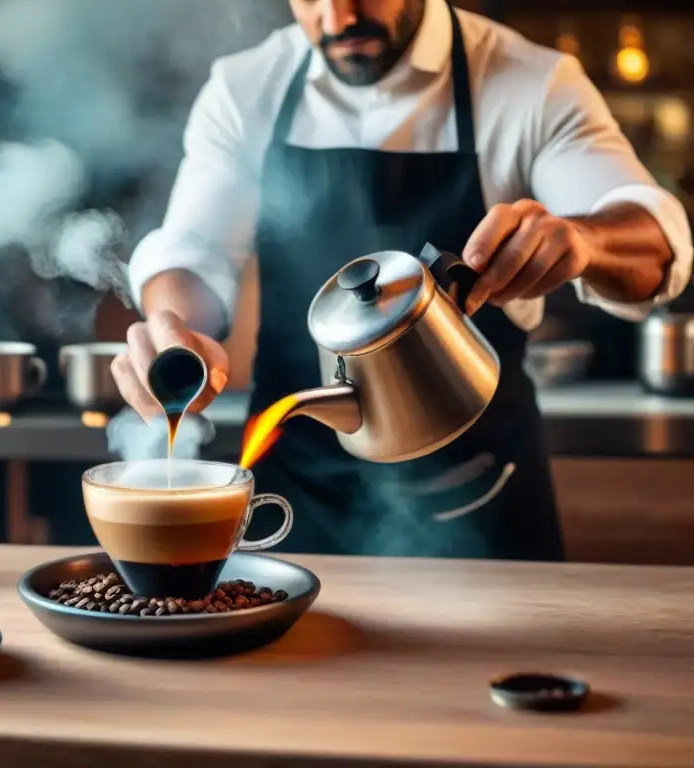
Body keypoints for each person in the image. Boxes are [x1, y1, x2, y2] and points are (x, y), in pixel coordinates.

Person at [111, 0, 693, 560]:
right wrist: (174, 333)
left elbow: (654, 238)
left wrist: (585, 240)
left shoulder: (530, 82)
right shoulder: (247, 86)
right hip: (291, 504)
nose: (339, 16)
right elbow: (195, 249)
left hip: (478, 500)